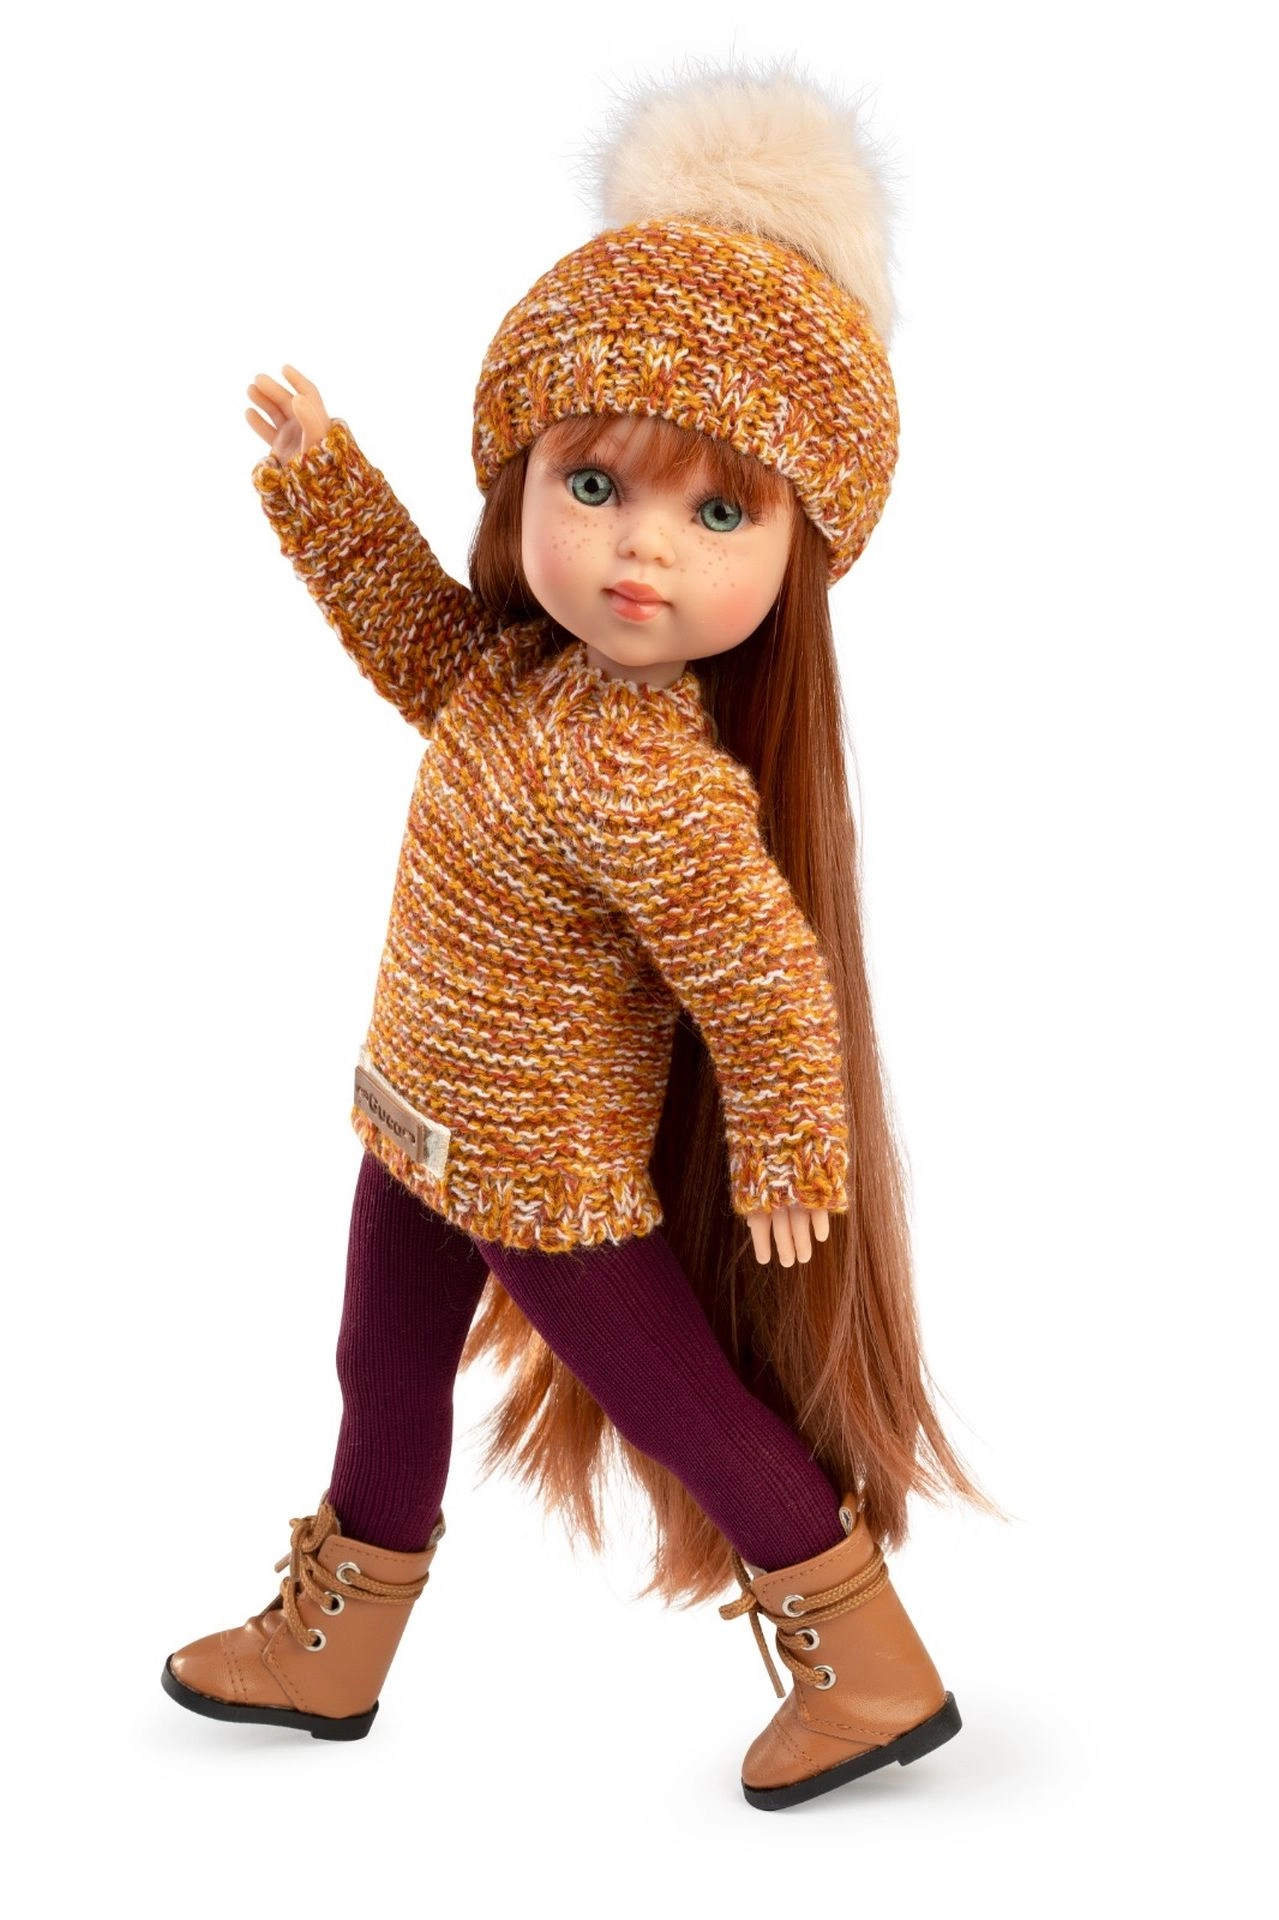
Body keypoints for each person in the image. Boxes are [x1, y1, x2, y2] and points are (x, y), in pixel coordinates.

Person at [161, 58, 1000, 1811]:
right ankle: (339, 1639)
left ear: (797, 554)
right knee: (380, 1363)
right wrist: (322, 482)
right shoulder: (515, 680)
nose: (642, 553)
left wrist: (787, 1135)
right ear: (521, 479)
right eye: (594, 484)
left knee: (675, 1402)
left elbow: (758, 966)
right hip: (421, 1117)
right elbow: (408, 633)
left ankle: (865, 1663)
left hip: (543, 1165)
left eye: (717, 514)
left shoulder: (647, 771)